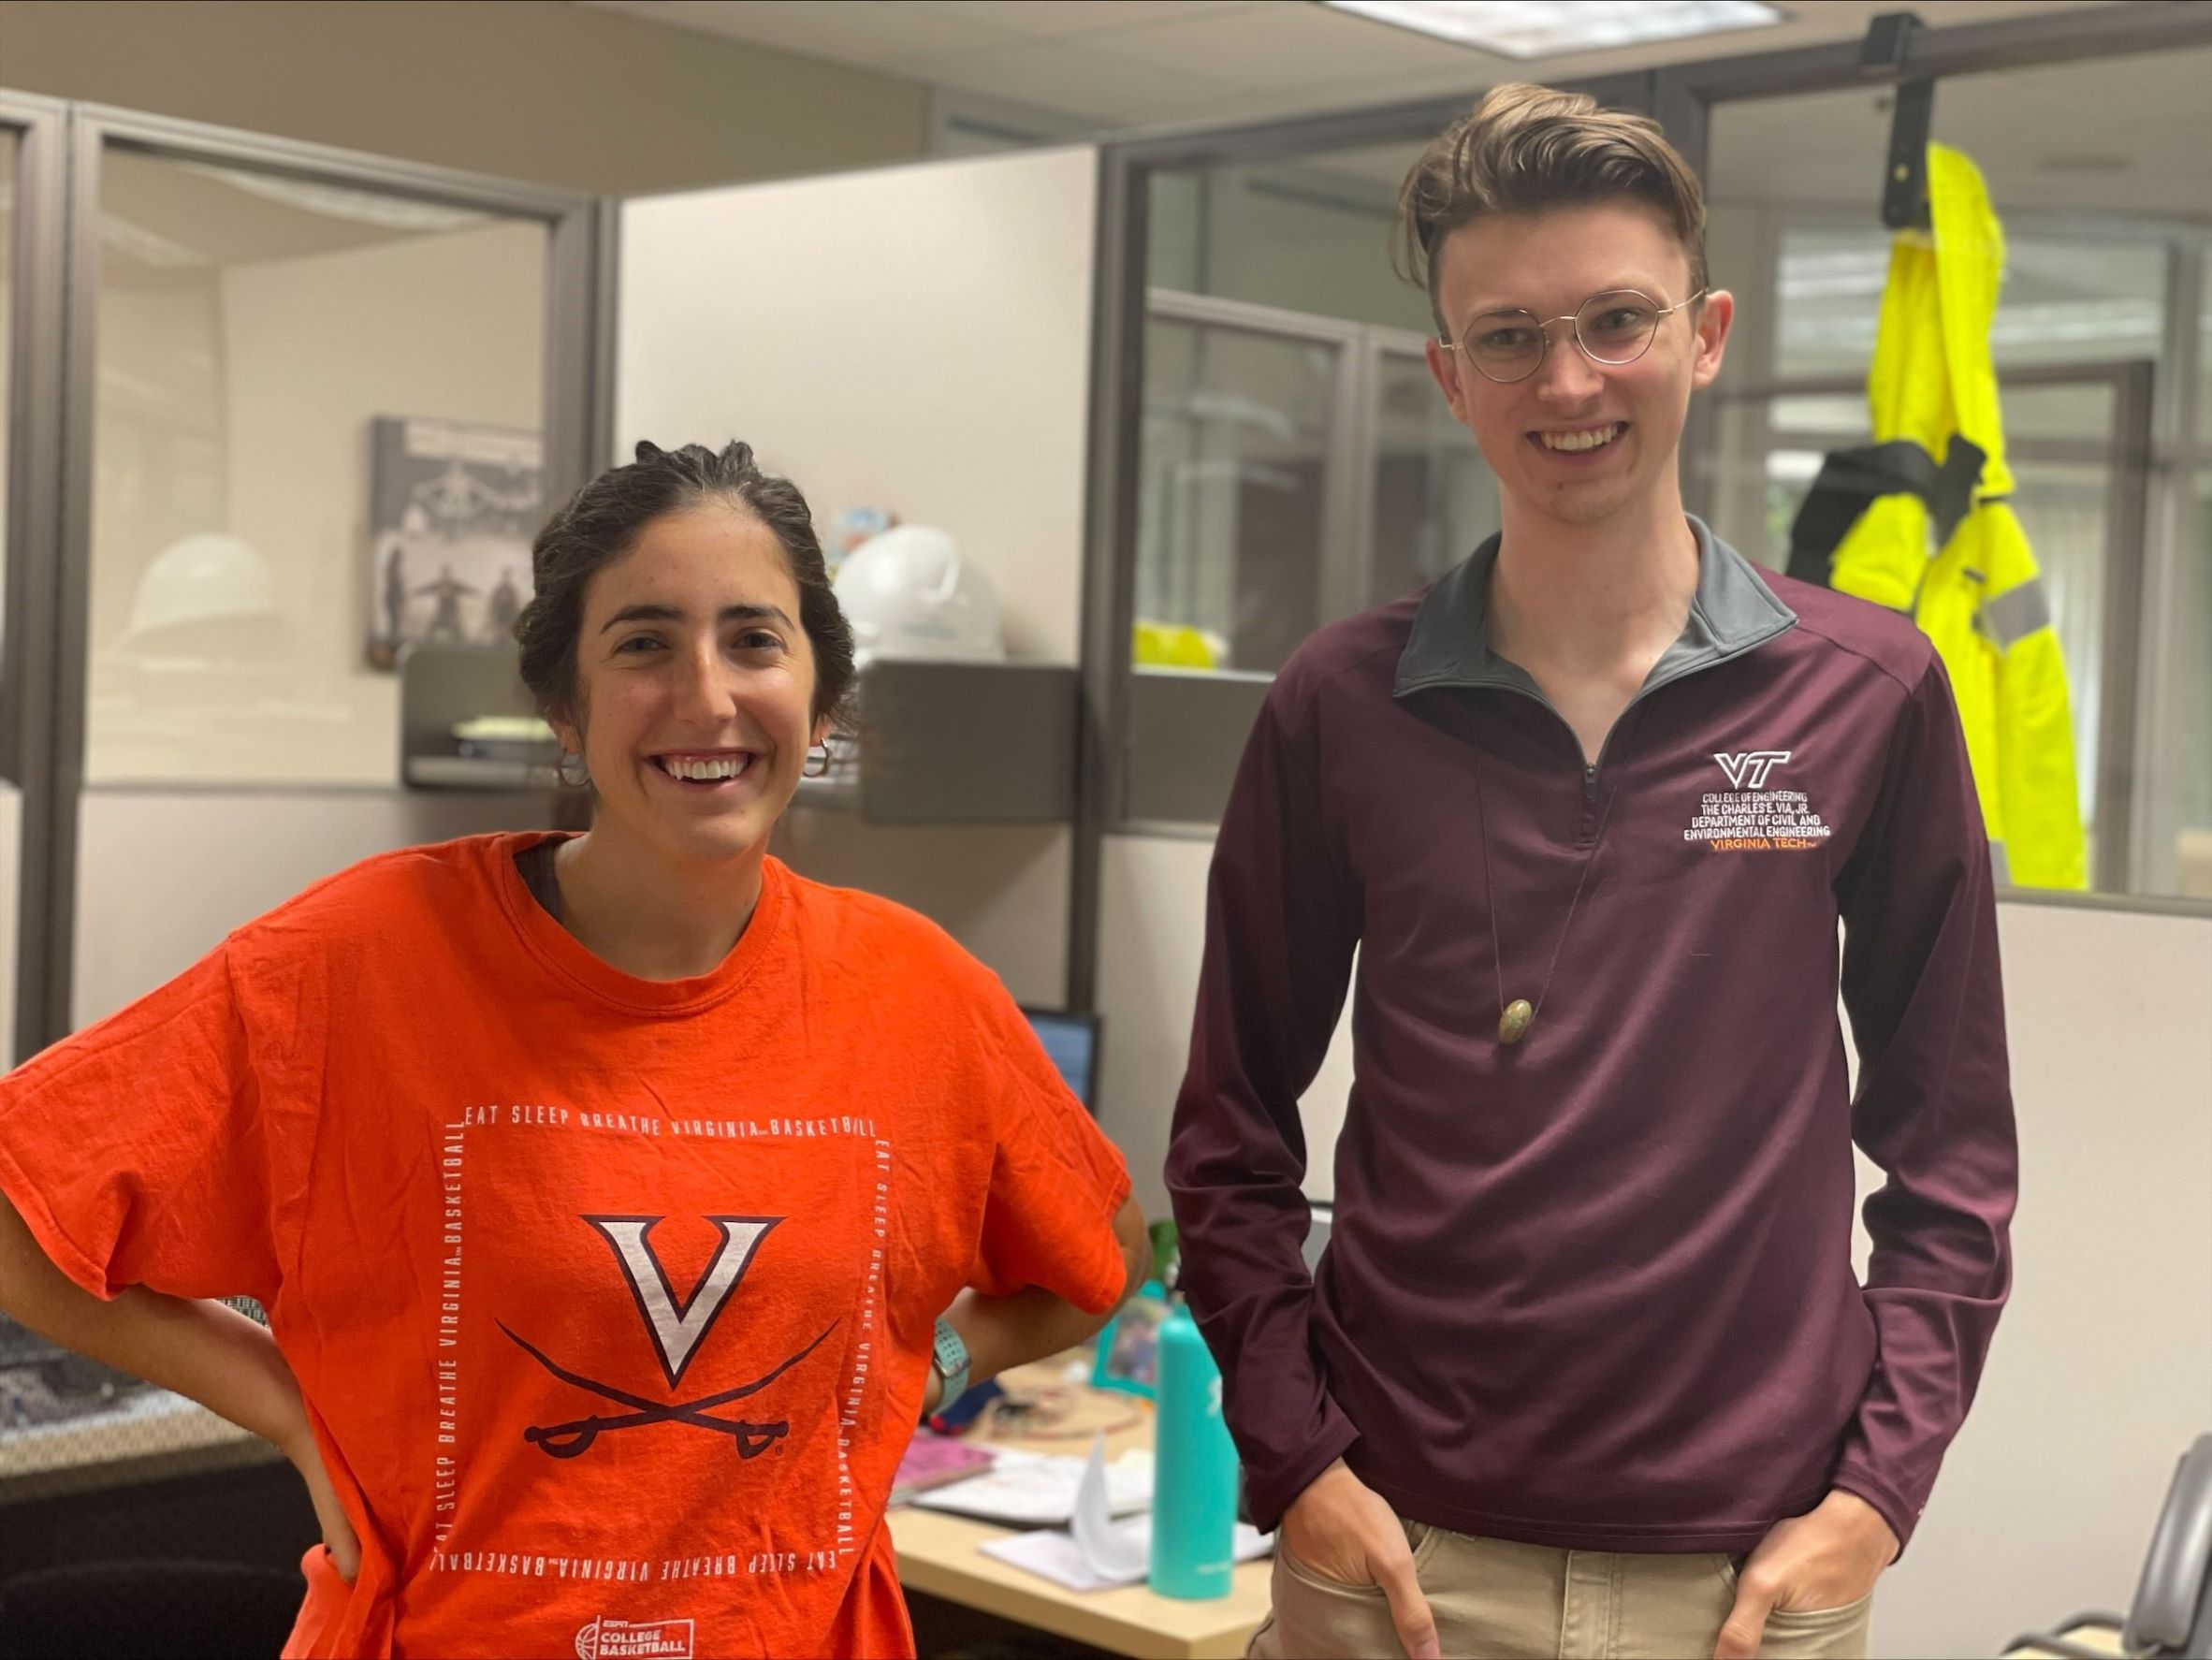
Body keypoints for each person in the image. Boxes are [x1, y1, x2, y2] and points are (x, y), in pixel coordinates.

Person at [0, 440, 1148, 1658]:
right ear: (564, 703)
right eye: (644, 642)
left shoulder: (917, 990)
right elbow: (23, 1210)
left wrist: (938, 1356)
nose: (707, 696)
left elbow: (1102, 1253)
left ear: (820, 700)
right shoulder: (359, 961)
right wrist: (289, 1408)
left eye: (754, 639)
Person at [1166, 84, 2015, 1660]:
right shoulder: (1341, 706)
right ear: (1447, 372)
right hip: (1396, 1560)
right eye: (1508, 336)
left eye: (1616, 321)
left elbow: (1953, 1161)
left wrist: (1878, 1495)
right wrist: (1297, 1459)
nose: (1568, 382)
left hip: (1747, 1584)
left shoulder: (1867, 692)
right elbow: (1227, 1138)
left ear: (1705, 334)